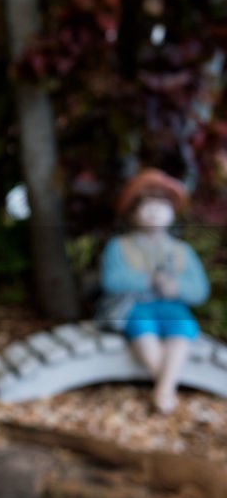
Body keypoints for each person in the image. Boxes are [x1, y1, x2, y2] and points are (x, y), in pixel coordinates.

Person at [96, 168, 209, 414]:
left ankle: (163, 387)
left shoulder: (181, 250)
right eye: (148, 206)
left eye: (162, 206)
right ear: (133, 212)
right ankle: (166, 386)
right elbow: (112, 280)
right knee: (141, 326)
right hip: (133, 307)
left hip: (172, 308)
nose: (155, 212)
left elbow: (200, 289)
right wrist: (148, 282)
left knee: (181, 328)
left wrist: (176, 287)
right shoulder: (120, 246)